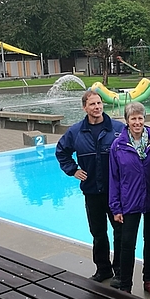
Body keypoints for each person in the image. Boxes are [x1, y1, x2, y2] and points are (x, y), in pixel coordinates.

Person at [56, 90, 125, 284]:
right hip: (92, 191)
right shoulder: (76, 131)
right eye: (93, 104)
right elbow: (62, 152)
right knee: (98, 233)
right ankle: (103, 269)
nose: (97, 107)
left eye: (99, 103)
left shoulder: (117, 129)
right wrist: (73, 170)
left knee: (120, 232)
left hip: (115, 193)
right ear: (84, 107)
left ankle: (119, 271)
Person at [109, 102, 150, 297]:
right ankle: (125, 285)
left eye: (140, 118)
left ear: (144, 119)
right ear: (127, 121)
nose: (137, 122)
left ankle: (149, 280)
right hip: (129, 201)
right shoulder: (118, 145)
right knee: (127, 243)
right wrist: (115, 207)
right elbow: (113, 178)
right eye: (133, 118)